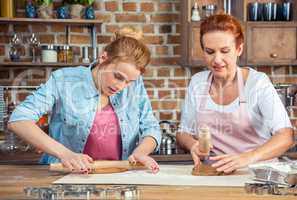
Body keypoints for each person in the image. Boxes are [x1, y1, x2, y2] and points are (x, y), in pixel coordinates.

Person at [8, 26, 161, 174]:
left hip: (117, 178)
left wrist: (141, 152)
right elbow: (19, 119)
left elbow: (151, 126)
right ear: (103, 58)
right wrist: (66, 154)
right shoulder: (64, 79)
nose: (121, 86)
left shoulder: (134, 86)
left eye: (129, 81)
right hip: (66, 176)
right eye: (118, 76)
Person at [176, 14, 294, 173]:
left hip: (257, 175)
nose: (217, 59)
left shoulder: (257, 83)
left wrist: (246, 158)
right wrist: (192, 144)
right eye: (210, 52)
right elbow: (183, 132)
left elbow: (285, 136)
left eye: (224, 51)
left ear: (239, 49)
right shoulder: (198, 82)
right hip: (216, 175)